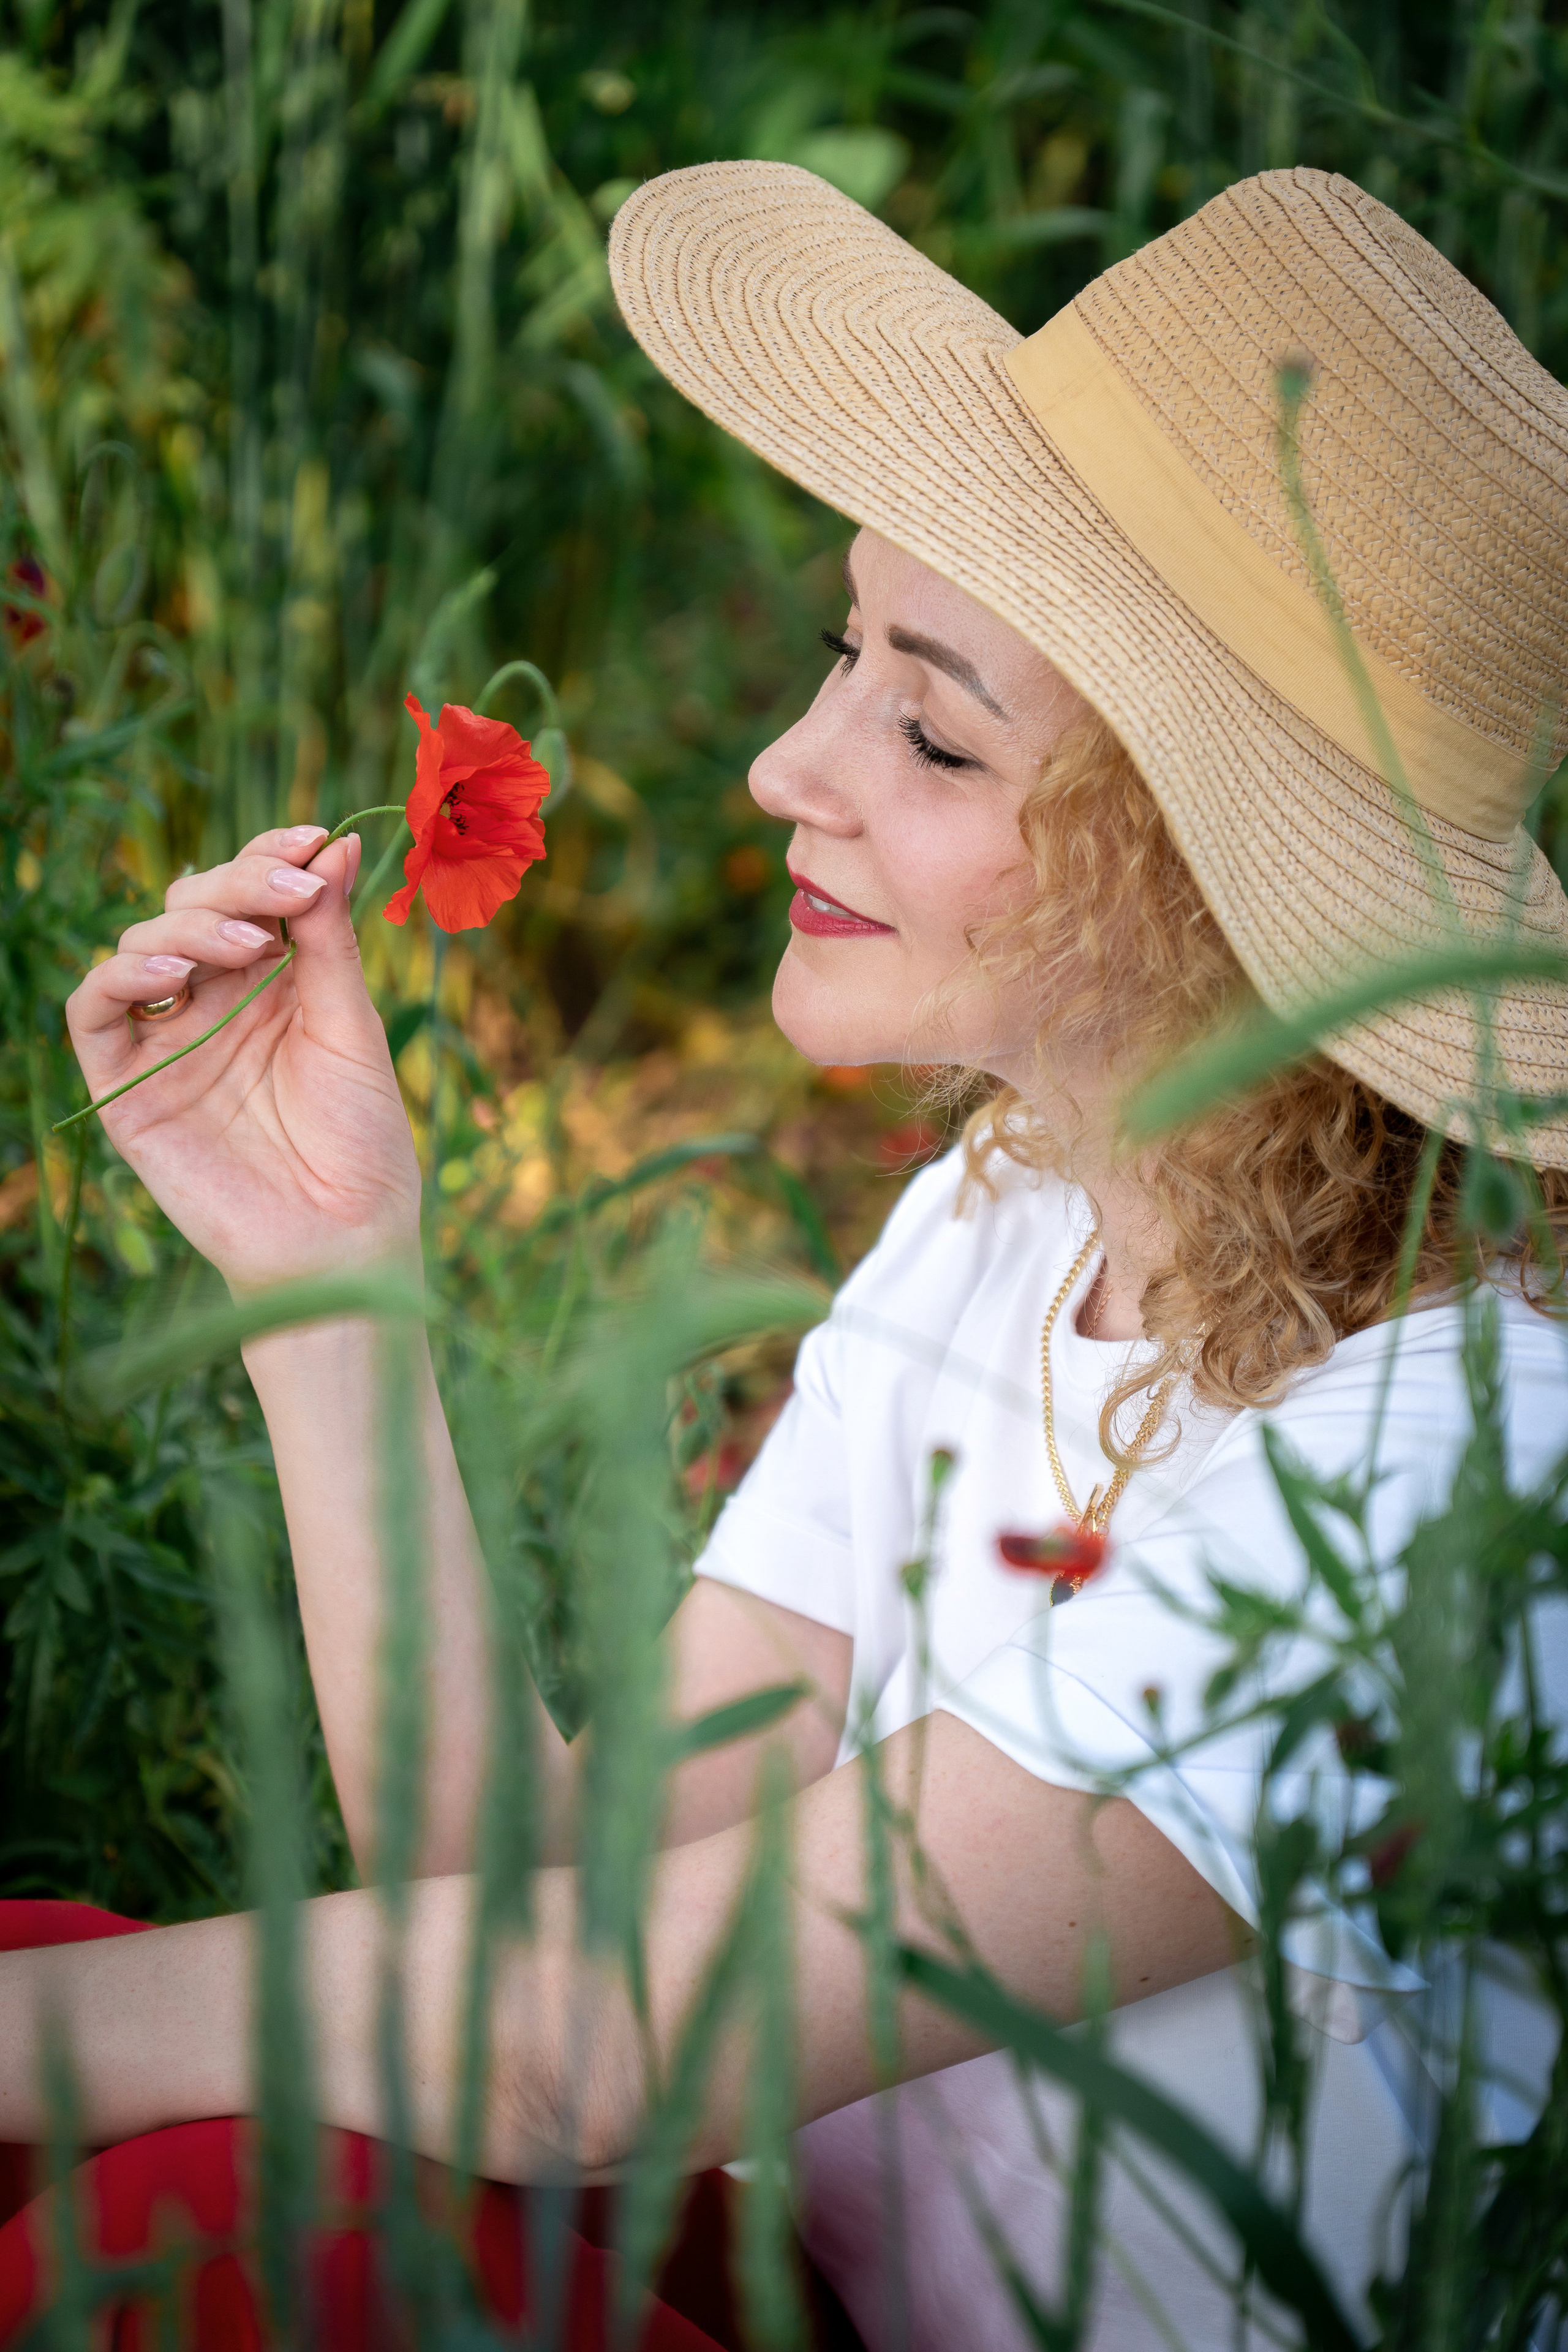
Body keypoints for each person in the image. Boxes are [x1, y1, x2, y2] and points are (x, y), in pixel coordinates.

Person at [5, 162, 1567, 2351]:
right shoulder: (1004, 1223)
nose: (779, 769)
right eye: (849, 651)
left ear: (1208, 893)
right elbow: (532, 1898)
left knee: (219, 2219)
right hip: (813, 2292)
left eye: (931, 728)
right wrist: (329, 1282)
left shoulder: (1441, 1466)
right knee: (71, 1996)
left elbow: (592, 2045)